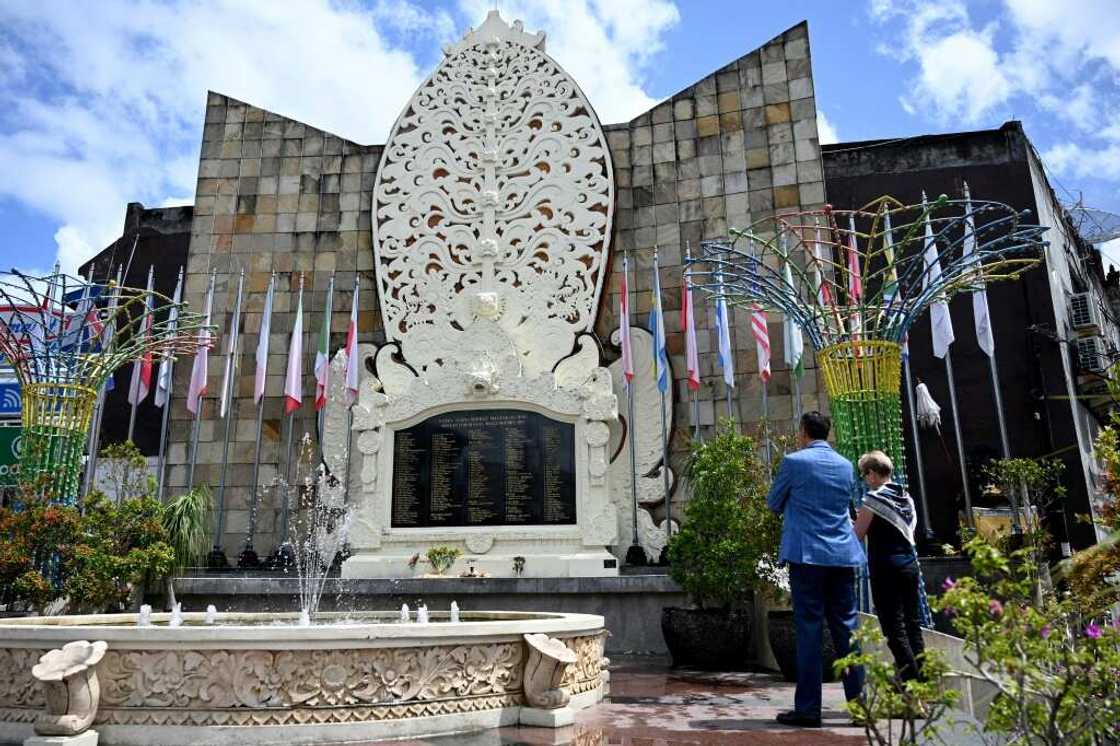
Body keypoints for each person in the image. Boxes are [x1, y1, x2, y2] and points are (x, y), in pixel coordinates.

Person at [767, 411, 865, 728]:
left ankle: (809, 709)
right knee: (847, 630)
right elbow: (846, 505)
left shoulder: (794, 463)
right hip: (841, 554)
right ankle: (860, 707)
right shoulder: (845, 465)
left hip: (807, 556)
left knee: (808, 631)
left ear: (804, 432)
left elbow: (773, 502)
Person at [853, 450, 925, 683]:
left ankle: (912, 686)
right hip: (909, 566)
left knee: (894, 629)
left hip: (886, 569)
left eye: (864, 474)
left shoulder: (873, 499)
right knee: (913, 625)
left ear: (873, 474)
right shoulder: (905, 497)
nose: (865, 479)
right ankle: (924, 682)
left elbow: (857, 534)